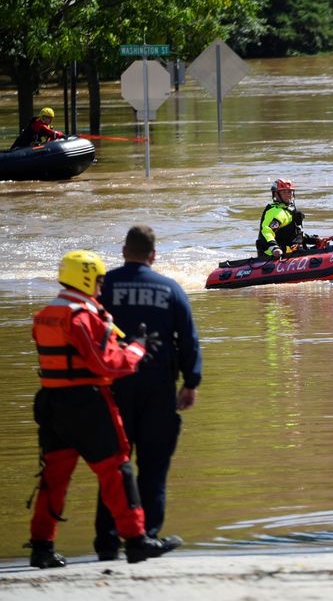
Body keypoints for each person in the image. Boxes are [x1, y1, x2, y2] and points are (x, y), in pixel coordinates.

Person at [27, 250, 178, 568]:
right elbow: (107, 363)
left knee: (53, 478)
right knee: (117, 470)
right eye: (97, 281)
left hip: (52, 405)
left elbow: (73, 355)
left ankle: (41, 547)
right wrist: (136, 349)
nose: (100, 287)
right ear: (85, 278)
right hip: (87, 405)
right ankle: (136, 541)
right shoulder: (82, 316)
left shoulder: (46, 314)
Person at [93, 225, 202, 561]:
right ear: (153, 255)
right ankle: (145, 537)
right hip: (158, 387)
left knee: (114, 465)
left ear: (124, 251)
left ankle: (108, 541)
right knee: (153, 466)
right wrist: (191, 382)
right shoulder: (170, 289)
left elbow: (87, 331)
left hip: (113, 387)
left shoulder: (104, 286)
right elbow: (188, 339)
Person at [256, 179, 323, 258]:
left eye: (290, 192)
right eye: (284, 192)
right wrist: (274, 248)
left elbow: (294, 234)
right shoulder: (275, 212)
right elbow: (266, 232)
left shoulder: (289, 210)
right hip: (275, 256)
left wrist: (314, 240)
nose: (288, 194)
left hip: (293, 252)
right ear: (276, 194)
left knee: (324, 248)